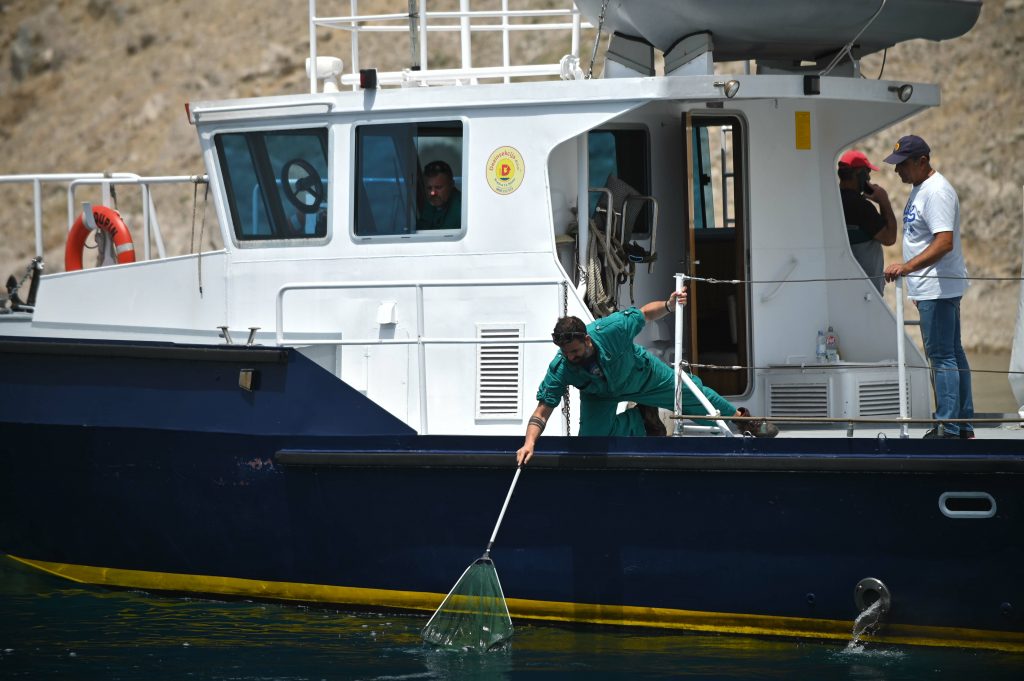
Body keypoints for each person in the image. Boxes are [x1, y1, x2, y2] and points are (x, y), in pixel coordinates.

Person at [515, 288, 778, 465]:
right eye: (565, 353)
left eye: (574, 351)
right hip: (600, 395)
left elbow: (646, 313)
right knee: (591, 441)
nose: (570, 357)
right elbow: (542, 411)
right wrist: (529, 444)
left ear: (587, 339)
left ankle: (743, 420)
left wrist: (669, 304)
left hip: (642, 375)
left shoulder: (613, 329)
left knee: (694, 395)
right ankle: (642, 418)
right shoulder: (562, 366)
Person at [882, 135, 974, 439]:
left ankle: (949, 427)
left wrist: (907, 268)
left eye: (903, 165)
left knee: (942, 356)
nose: (898, 172)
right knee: (952, 353)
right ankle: (962, 425)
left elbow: (944, 242)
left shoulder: (936, 192)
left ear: (922, 161)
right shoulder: (921, 189)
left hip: (937, 288)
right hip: (931, 288)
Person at [838, 150, 897, 294]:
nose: (869, 177)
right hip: (866, 292)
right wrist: (884, 201)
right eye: (867, 172)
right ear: (859, 173)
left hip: (842, 286)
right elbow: (889, 238)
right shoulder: (860, 206)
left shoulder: (833, 200)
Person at [417, 160, 462, 229]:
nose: (433, 193)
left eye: (438, 187)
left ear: (452, 184)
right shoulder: (431, 201)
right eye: (429, 188)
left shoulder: (461, 207)